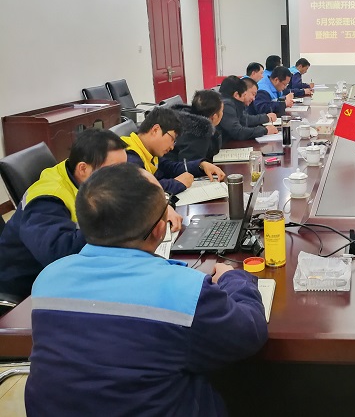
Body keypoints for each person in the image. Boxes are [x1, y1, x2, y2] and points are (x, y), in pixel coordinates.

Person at [25, 163, 268, 417]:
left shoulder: (47, 281)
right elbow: (249, 331)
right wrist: (233, 278)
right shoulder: (182, 291)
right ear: (160, 229)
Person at [0, 129, 133, 302]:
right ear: (83, 168)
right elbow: (59, 253)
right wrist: (114, 222)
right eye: (114, 171)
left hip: (67, 275)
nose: (122, 178)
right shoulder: (46, 200)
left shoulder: (82, 176)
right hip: (28, 289)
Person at [121, 107, 226, 195]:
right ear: (155, 130)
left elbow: (170, 168)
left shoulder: (148, 151)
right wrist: (177, 183)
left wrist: (201, 165)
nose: (172, 147)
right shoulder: (130, 157)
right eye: (172, 139)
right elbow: (144, 191)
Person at [164, 90, 224, 162]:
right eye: (221, 111)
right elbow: (190, 165)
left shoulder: (186, 118)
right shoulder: (199, 132)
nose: (222, 114)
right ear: (214, 117)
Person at [218, 76, 279, 141]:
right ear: (236, 95)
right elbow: (238, 132)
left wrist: (265, 118)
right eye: (244, 95)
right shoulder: (226, 105)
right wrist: (265, 130)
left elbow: (245, 119)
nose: (254, 99)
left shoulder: (231, 103)